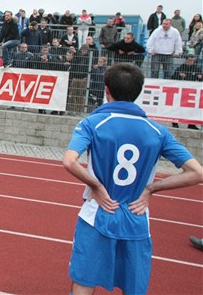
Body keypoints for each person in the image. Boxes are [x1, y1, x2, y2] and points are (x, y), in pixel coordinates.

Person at [63, 63, 203, 295]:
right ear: (138, 91)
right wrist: (151, 189)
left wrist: (96, 185)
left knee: (84, 280)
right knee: (134, 286)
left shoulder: (92, 123)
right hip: (137, 216)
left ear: (107, 90)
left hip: (98, 213)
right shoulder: (158, 131)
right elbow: (197, 173)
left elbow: (69, 161)